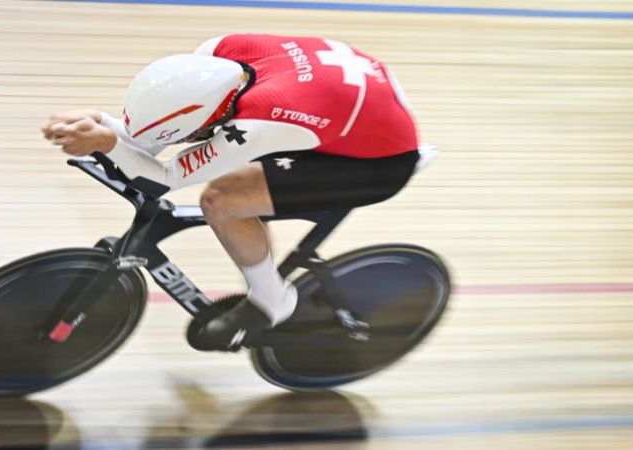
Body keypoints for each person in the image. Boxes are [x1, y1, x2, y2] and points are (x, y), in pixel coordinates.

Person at [41, 33, 429, 350]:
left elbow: (163, 179)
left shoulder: (260, 121)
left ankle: (273, 301)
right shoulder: (218, 52)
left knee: (223, 201)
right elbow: (151, 138)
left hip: (377, 163)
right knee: (233, 181)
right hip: (356, 98)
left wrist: (108, 142)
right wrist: (98, 123)